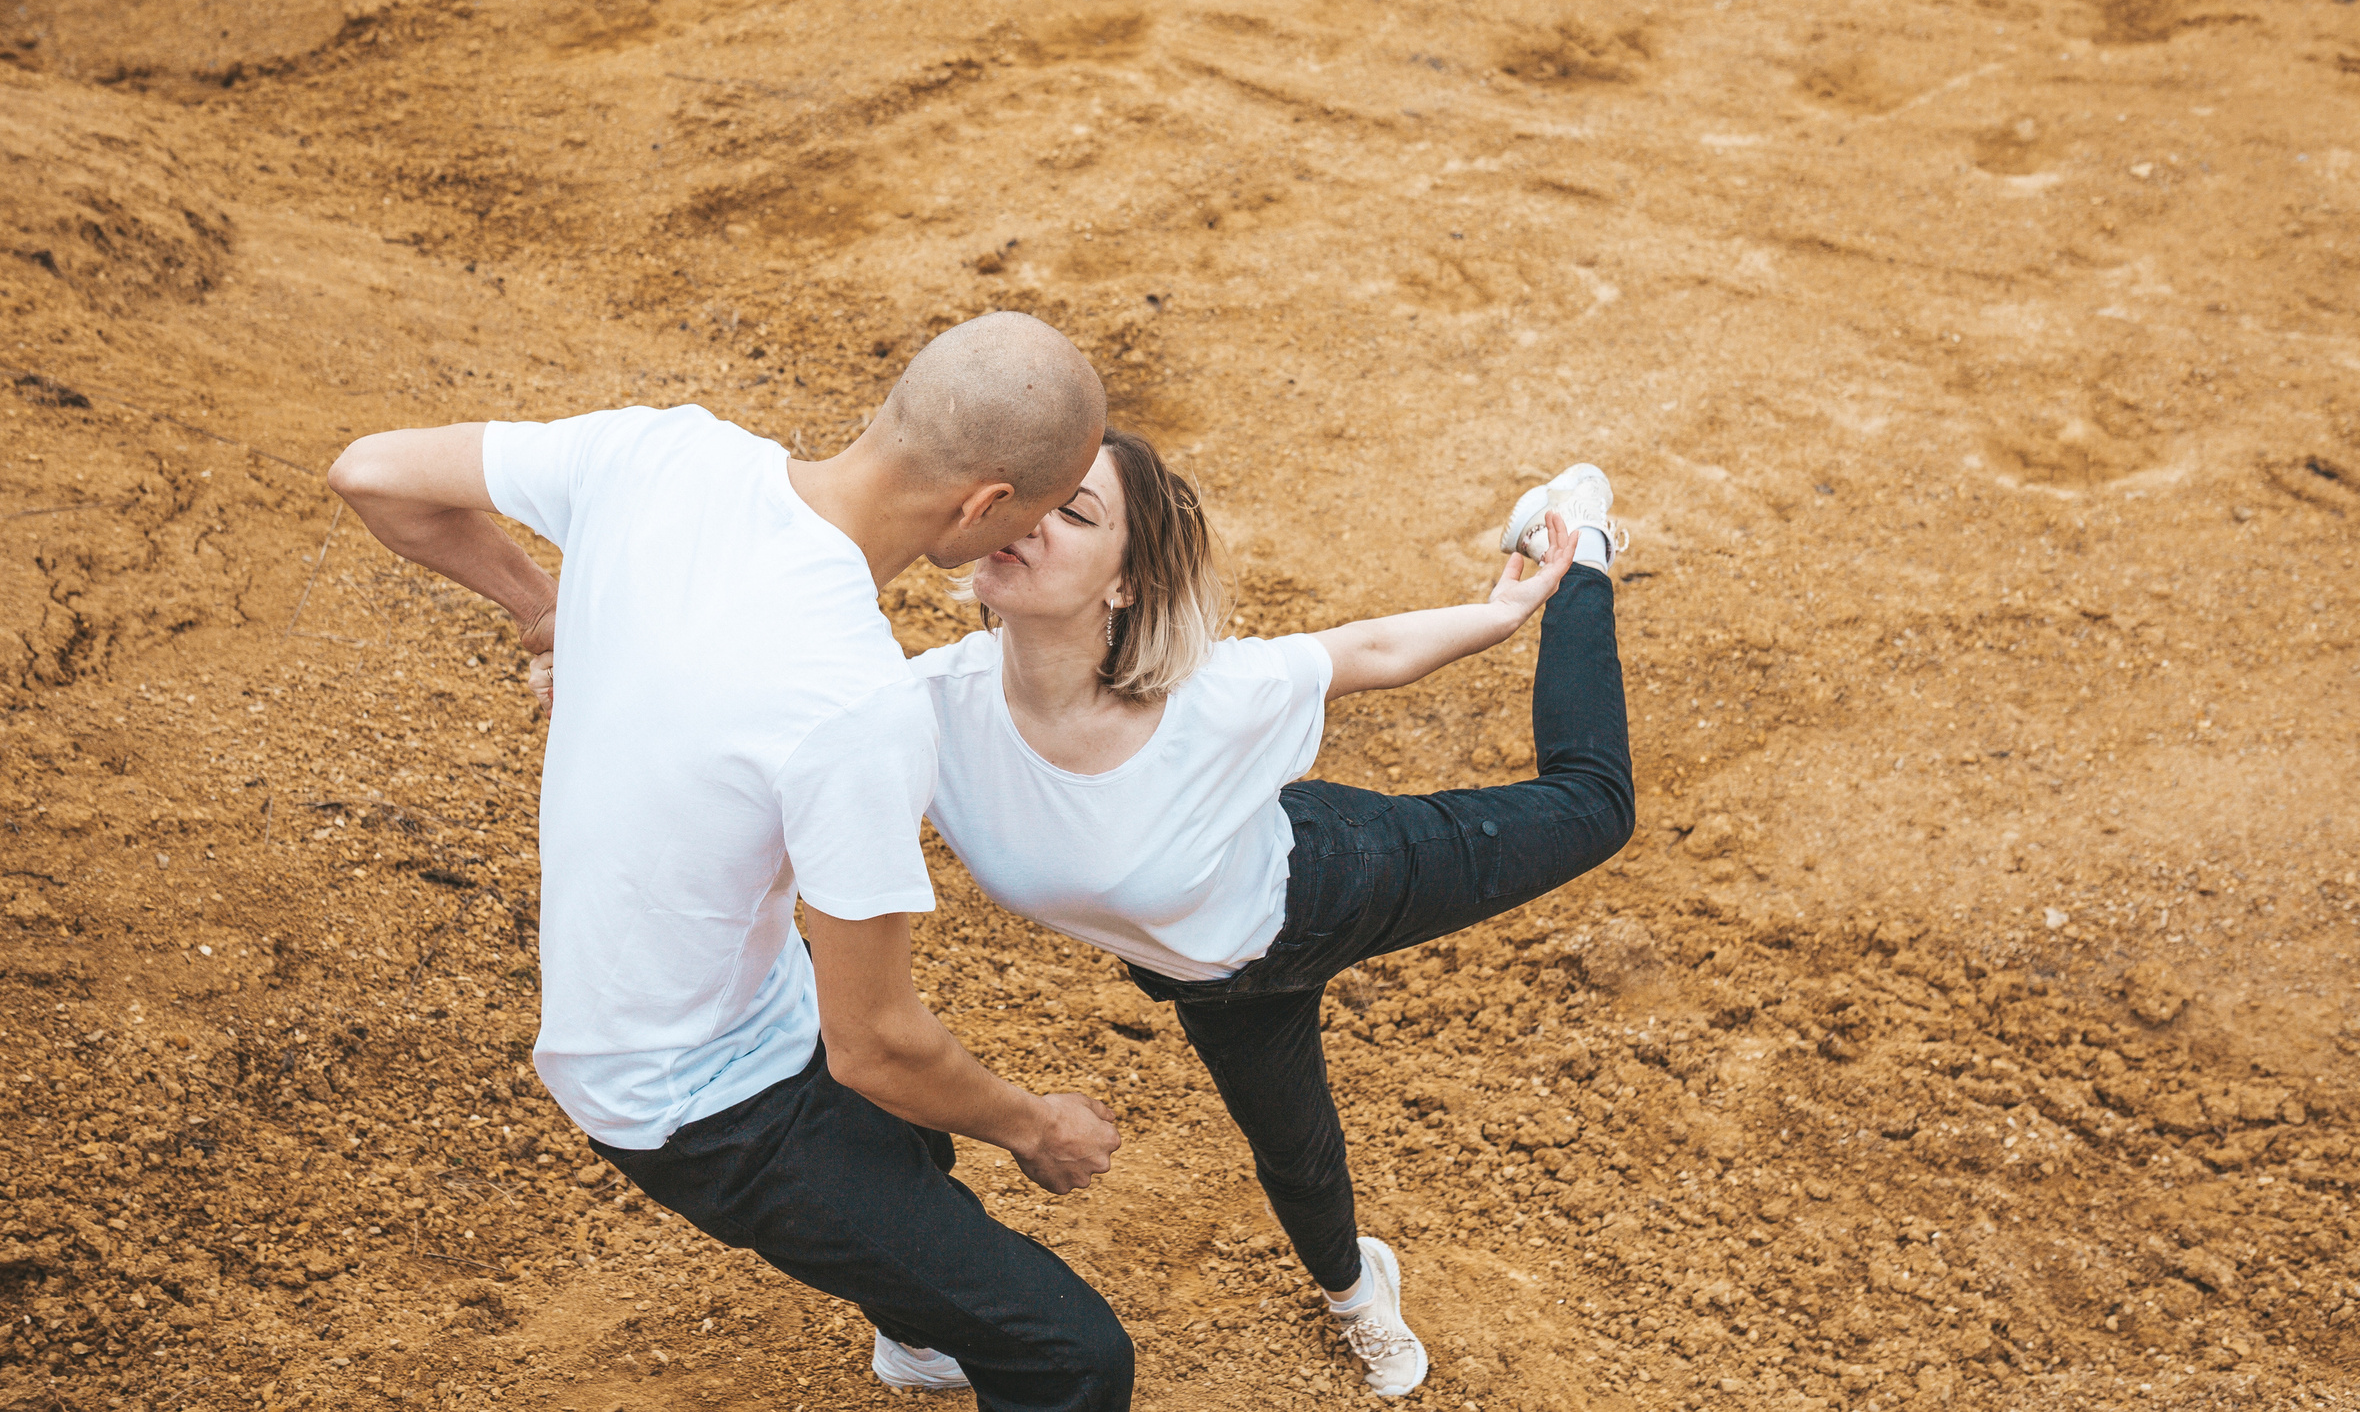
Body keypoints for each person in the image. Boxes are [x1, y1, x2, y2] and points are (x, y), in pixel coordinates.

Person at [326, 313, 1136, 1412]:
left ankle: (920, 1336)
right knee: (1071, 1356)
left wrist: (546, 609)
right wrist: (1040, 1127)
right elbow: (876, 1051)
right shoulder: (854, 704)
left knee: (914, 1157)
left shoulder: (660, 452)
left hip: (721, 996)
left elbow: (371, 471)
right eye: (1036, 512)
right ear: (984, 504)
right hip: (692, 1100)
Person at [906, 439, 1635, 1399]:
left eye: (1076, 514)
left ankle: (1586, 553)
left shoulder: (1206, 699)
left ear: (1126, 584)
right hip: (1210, 978)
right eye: (1028, 496)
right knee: (1294, 1150)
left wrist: (1505, 611)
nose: (1032, 521)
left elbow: (1363, 651)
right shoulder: (920, 714)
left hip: (1337, 878)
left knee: (1593, 808)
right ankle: (1353, 1286)